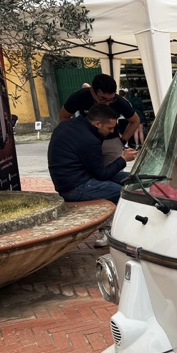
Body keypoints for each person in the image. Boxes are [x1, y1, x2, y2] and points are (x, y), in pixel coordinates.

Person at [48, 104, 138, 247]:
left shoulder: (70, 125)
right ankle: (114, 232)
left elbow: (99, 170)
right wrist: (123, 159)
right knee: (125, 194)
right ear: (97, 124)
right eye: (110, 128)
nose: (112, 132)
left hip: (77, 177)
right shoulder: (89, 140)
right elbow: (102, 174)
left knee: (133, 180)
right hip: (74, 188)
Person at [60, 73, 141, 165]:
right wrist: (75, 137)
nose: (107, 103)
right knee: (89, 170)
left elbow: (135, 121)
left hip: (110, 141)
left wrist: (122, 141)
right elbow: (63, 116)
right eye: (103, 99)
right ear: (93, 91)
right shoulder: (80, 96)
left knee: (114, 169)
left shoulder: (118, 101)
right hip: (86, 141)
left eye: (111, 99)